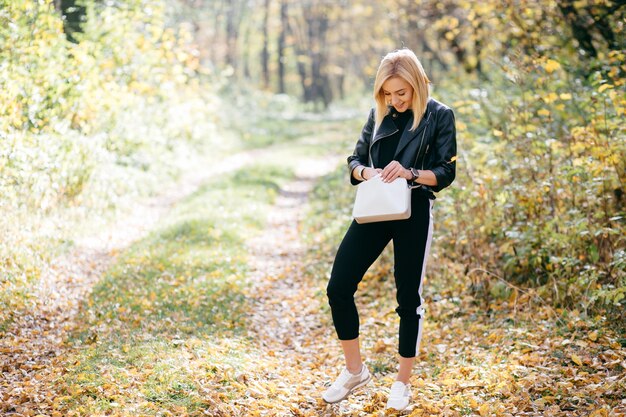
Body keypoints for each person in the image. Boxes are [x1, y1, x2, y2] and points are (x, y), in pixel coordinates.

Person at [322, 48, 456, 411]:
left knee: (408, 298)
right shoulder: (378, 114)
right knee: (338, 287)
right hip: (374, 208)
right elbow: (354, 161)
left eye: (402, 93)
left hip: (414, 211)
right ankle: (354, 372)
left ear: (416, 85)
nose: (394, 101)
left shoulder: (440, 115)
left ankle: (402, 383)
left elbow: (446, 172)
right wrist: (365, 172)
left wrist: (410, 171)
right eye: (387, 93)